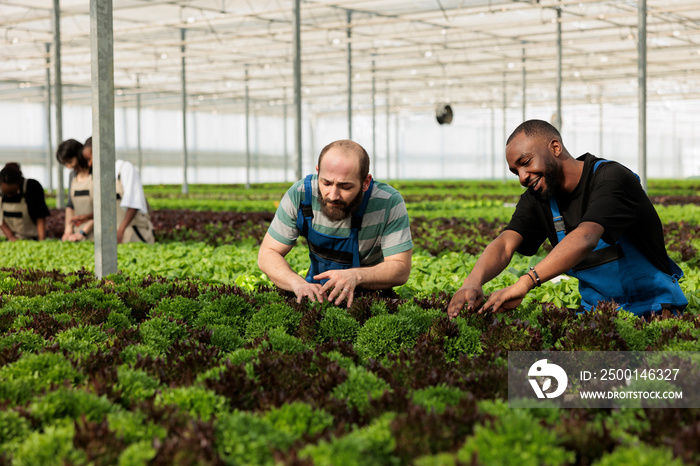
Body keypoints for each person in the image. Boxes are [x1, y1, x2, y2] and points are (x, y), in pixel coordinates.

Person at [447, 119, 687, 319]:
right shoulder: (539, 197)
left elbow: (586, 237)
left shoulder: (611, 178)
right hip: (598, 316)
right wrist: (473, 281)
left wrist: (526, 282)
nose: (522, 177)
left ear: (555, 148)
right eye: (515, 171)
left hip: (654, 310)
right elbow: (505, 242)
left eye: (526, 162)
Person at [258, 139, 413, 308]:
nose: (333, 195)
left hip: (369, 298)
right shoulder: (301, 195)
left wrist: (355, 276)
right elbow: (268, 253)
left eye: (345, 187)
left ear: (366, 182)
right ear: (318, 173)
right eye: (326, 183)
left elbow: (400, 268)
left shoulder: (388, 202)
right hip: (317, 294)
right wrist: (297, 283)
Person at [82, 138, 155, 244]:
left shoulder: (125, 168)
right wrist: (87, 217)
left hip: (133, 232)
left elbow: (133, 204)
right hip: (115, 234)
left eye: (89, 159)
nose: (89, 164)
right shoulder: (100, 175)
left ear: (98, 152)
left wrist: (120, 230)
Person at [0, 163, 50, 241]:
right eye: (6, 193)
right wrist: (10, 236)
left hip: (30, 238)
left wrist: (41, 240)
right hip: (4, 239)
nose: (9, 196)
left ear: (19, 182)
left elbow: (40, 215)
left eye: (12, 192)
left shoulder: (32, 187)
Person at [56, 139, 94, 241]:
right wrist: (68, 231)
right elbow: (70, 205)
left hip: (95, 232)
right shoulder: (72, 175)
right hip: (77, 233)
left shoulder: (96, 172)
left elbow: (102, 210)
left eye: (70, 161)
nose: (69, 166)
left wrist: (83, 232)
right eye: (65, 164)